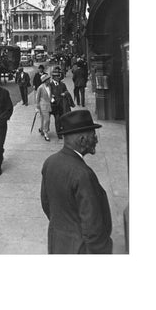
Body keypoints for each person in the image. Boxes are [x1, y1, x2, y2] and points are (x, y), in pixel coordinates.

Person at [40, 109, 113, 254]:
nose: (96, 139)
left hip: (57, 244)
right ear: (82, 140)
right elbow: (93, 227)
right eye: (93, 135)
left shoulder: (50, 162)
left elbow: (46, 203)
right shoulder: (83, 174)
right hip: (81, 249)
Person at [49, 66, 74, 140]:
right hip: (55, 105)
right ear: (53, 77)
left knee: (63, 117)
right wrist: (51, 96)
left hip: (62, 104)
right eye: (56, 76)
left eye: (58, 76)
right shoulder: (50, 85)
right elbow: (48, 94)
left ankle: (63, 129)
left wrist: (65, 93)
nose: (58, 77)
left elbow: (66, 91)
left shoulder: (62, 84)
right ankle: (59, 133)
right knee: (57, 119)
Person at [36, 73, 52, 141]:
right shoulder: (40, 87)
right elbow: (37, 97)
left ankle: (41, 129)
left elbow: (50, 95)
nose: (49, 80)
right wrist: (37, 106)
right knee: (47, 119)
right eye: (48, 79)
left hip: (49, 105)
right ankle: (46, 133)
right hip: (43, 105)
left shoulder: (50, 86)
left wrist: (52, 98)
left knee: (44, 119)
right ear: (45, 80)